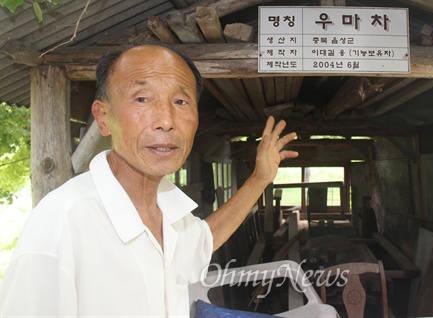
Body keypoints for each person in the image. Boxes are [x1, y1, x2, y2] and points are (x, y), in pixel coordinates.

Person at [1, 44, 298, 317]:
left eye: (181, 101)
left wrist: (260, 177)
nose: (166, 120)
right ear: (103, 117)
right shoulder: (62, 222)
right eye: (142, 98)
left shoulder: (170, 212)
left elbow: (205, 239)